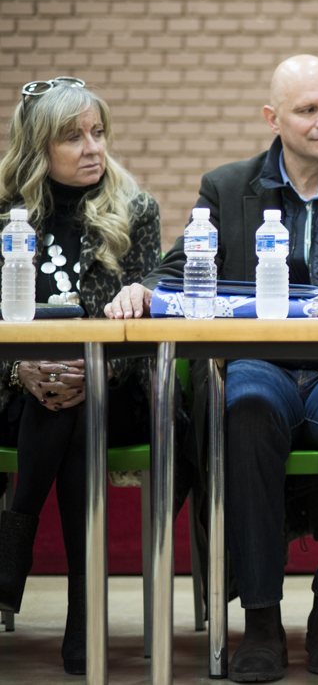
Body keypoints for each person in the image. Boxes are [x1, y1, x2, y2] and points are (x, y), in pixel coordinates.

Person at [105, 55, 318, 681]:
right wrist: (144, 290)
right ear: (273, 118)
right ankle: (259, 618)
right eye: (308, 110)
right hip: (257, 361)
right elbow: (175, 272)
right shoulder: (227, 187)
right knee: (243, 409)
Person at [0, 79, 161, 674]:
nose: (93, 147)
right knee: (59, 410)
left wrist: (98, 372)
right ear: (37, 147)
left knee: (72, 408)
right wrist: (20, 368)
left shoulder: (135, 210)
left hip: (112, 392)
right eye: (73, 136)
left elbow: (151, 321)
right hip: (19, 395)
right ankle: (82, 614)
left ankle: (12, 545)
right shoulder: (2, 216)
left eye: (98, 132)